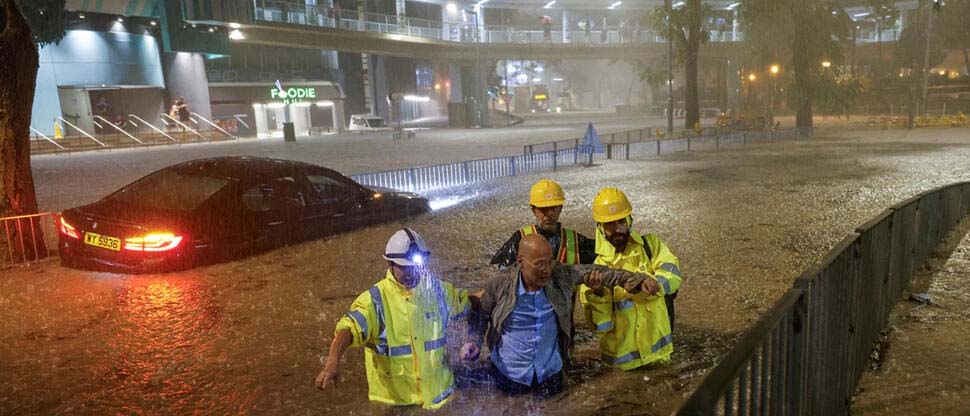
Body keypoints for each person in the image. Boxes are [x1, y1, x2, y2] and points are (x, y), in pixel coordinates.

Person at [471, 234, 660, 396]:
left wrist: (637, 280)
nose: (547, 270)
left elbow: (604, 273)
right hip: (509, 375)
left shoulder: (560, 275)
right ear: (520, 262)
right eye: (540, 264)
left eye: (549, 261)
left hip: (550, 375)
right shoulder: (500, 284)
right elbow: (481, 314)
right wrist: (474, 341)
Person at [314, 228, 476, 409]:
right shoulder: (374, 301)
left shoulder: (437, 291)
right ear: (389, 264)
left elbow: (469, 302)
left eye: (416, 266)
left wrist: (501, 287)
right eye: (404, 267)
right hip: (397, 405)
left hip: (441, 399)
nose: (412, 273)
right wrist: (333, 362)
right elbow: (347, 330)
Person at [579, 188, 682, 371]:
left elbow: (673, 275)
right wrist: (598, 293)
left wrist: (655, 283)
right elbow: (601, 327)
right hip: (622, 369)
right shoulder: (595, 271)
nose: (617, 228)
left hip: (660, 357)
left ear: (629, 220)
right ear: (600, 228)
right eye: (610, 224)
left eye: (621, 221)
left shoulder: (651, 246)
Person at [490, 179, 596, 270]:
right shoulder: (520, 238)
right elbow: (503, 276)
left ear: (561, 208)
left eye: (553, 208)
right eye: (543, 209)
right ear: (534, 210)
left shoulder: (576, 241)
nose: (549, 214)